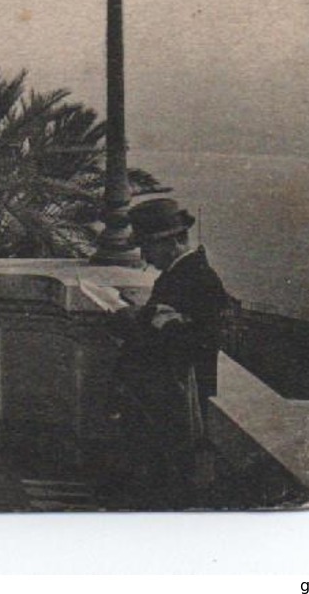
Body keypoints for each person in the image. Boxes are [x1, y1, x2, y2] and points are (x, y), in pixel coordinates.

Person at [107, 197, 230, 507]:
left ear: (174, 242)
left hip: (179, 393)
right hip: (164, 391)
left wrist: (154, 323)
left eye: (149, 247)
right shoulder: (182, 274)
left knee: (170, 472)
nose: (145, 256)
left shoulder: (197, 278)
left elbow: (202, 340)